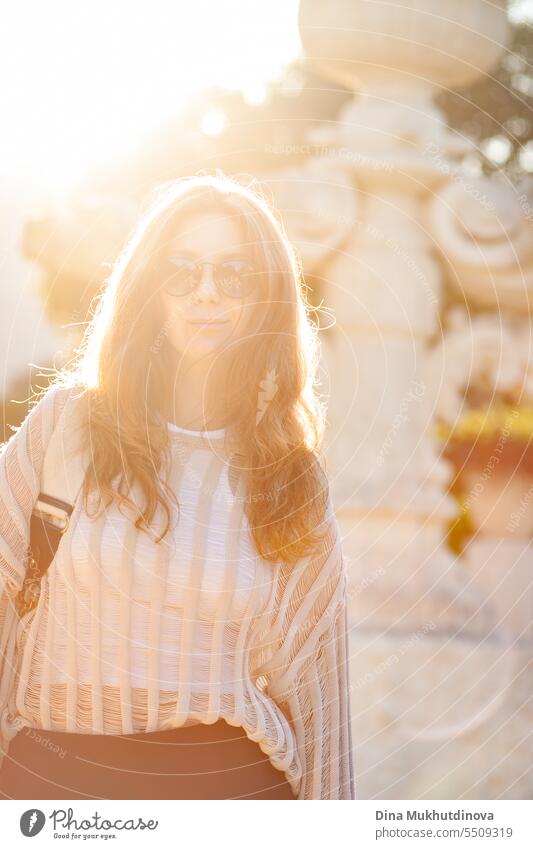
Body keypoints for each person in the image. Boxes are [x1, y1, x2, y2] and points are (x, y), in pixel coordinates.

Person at [0, 173, 355, 800]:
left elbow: (317, 690)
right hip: (56, 782)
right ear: (150, 292)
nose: (207, 294)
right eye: (182, 271)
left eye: (234, 274)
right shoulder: (67, 425)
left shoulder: (291, 477)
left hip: (229, 789)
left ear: (267, 300)